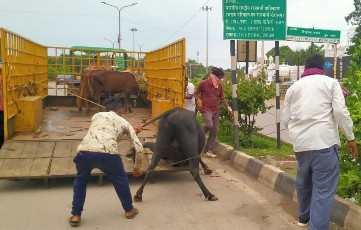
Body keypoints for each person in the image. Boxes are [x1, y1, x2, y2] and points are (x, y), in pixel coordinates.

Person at [283, 54, 358, 230]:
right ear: (322, 69)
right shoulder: (330, 83)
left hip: (301, 146)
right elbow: (340, 112)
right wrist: (350, 137)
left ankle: (303, 218)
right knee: (323, 191)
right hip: (324, 143)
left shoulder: (293, 89)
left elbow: (286, 120)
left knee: (304, 181)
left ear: (305, 69)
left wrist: (300, 132)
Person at [69, 97, 144, 226]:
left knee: (80, 181)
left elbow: (105, 135)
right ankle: (129, 210)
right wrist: (137, 167)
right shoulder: (124, 122)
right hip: (108, 156)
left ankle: (76, 215)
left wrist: (126, 133)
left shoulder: (96, 116)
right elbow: (138, 147)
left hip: (84, 152)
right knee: (120, 180)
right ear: (121, 109)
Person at [195, 67, 232, 158]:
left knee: (214, 130)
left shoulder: (219, 85)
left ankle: (208, 150)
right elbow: (195, 93)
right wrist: (199, 100)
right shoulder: (204, 83)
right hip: (206, 109)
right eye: (220, 78)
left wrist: (228, 107)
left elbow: (222, 97)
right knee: (209, 125)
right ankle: (196, 135)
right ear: (214, 76)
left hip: (215, 110)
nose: (220, 80)